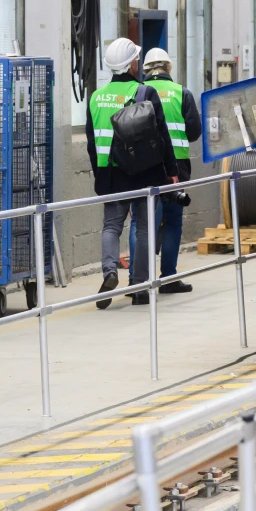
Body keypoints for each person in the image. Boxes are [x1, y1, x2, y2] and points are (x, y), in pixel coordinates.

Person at [86, 38, 170, 309]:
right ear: (132, 64)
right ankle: (142, 286)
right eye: (136, 59)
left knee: (111, 226)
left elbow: (91, 141)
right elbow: (162, 136)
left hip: (109, 174)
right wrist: (171, 172)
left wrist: (99, 171)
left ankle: (110, 272)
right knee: (145, 227)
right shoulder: (145, 93)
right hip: (144, 173)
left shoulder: (96, 97)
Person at [128, 47, 202, 297]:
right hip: (177, 167)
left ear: (146, 70)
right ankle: (168, 277)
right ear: (169, 68)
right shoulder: (183, 93)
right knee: (172, 221)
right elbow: (194, 132)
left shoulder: (137, 92)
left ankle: (136, 281)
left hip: (145, 166)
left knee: (140, 222)